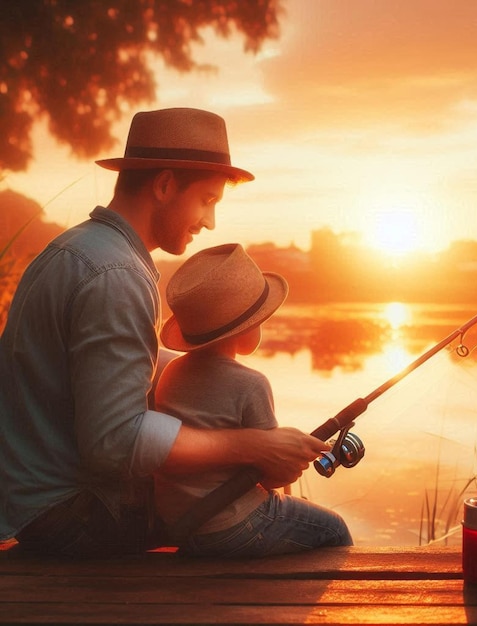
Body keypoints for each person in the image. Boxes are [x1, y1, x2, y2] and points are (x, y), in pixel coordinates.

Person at [0, 108, 330, 557]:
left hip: (34, 505)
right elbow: (115, 442)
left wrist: (213, 370)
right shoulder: (116, 275)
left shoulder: (75, 249)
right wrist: (256, 446)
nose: (210, 221)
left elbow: (116, 366)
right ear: (164, 185)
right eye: (207, 200)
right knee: (318, 531)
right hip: (75, 516)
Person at [154, 243, 353, 557]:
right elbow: (274, 476)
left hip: (180, 522)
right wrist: (297, 460)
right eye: (260, 320)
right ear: (243, 330)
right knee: (333, 528)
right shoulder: (251, 383)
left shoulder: (170, 374)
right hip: (233, 525)